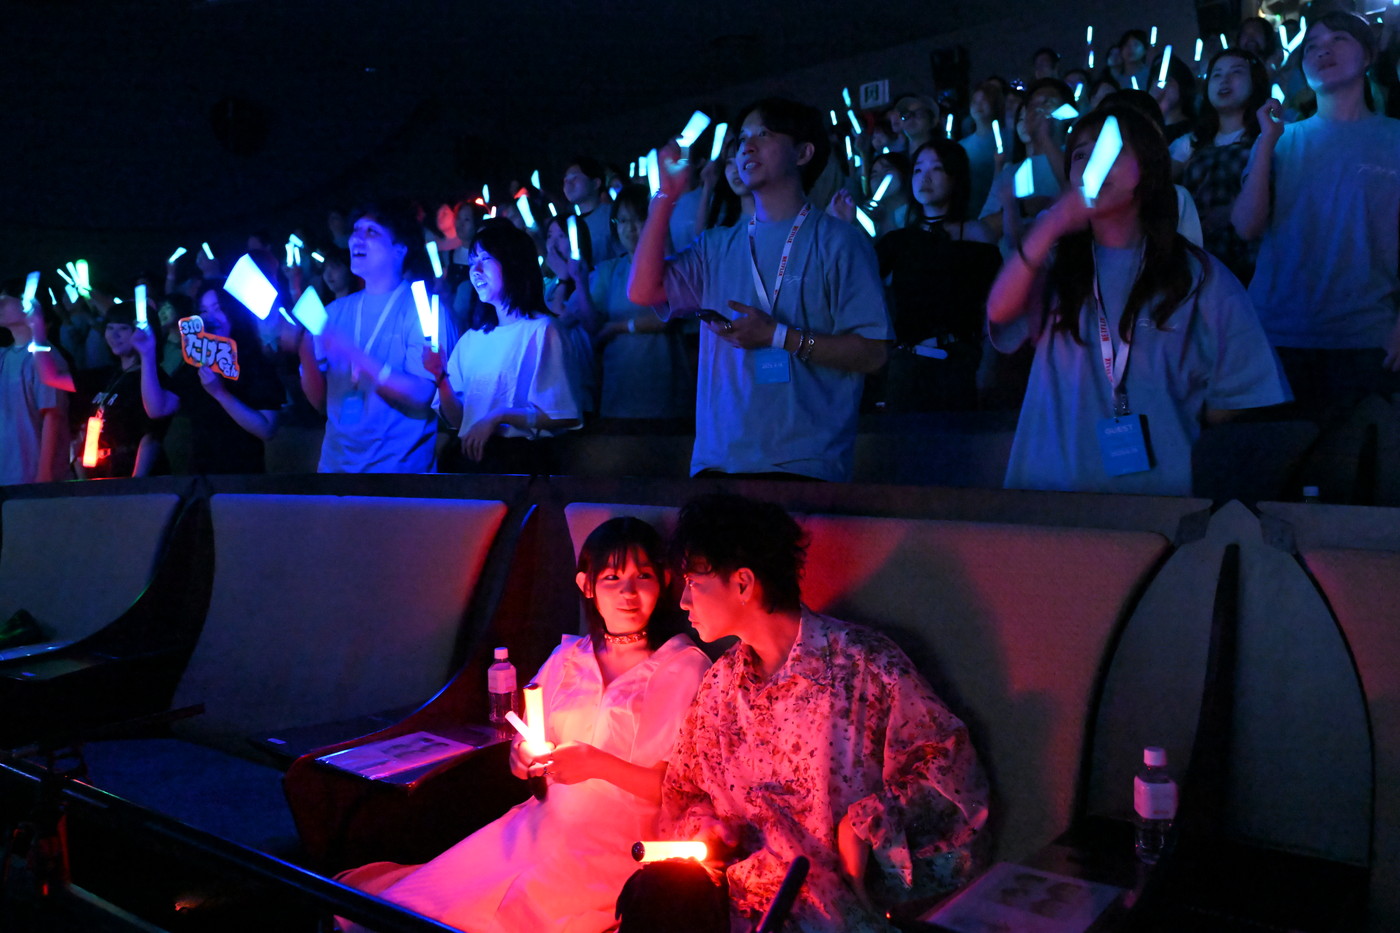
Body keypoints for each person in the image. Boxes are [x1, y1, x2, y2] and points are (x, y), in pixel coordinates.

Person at [338, 517, 711, 933]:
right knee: (424, 903)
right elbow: (527, 744)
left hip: (616, 843)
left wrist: (597, 764)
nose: (628, 591)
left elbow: (681, 790)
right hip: (540, 826)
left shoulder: (683, 667)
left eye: (642, 576)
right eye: (611, 577)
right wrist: (523, 756)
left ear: (662, 582)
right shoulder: (570, 657)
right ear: (587, 585)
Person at [660, 493, 989, 933]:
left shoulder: (864, 665)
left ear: (742, 584)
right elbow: (685, 792)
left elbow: (950, 767)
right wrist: (707, 832)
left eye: (694, 583)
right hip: (729, 907)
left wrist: (865, 824)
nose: (683, 601)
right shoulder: (720, 686)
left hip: (830, 913)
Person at [987, 105, 1290, 496]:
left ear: (1146, 168)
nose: (1094, 162)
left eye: (1110, 151)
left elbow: (1239, 393)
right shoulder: (1051, 261)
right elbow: (1000, 310)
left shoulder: (1199, 275)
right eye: (1080, 154)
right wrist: (1051, 225)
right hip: (1049, 492)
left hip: (1159, 500)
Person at [629, 97, 892, 481]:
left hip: (804, 466)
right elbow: (642, 291)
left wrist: (780, 336)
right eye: (742, 139)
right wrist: (665, 197)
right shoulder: (716, 245)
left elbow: (872, 353)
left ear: (803, 153)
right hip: (718, 462)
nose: (745, 146)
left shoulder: (839, 242)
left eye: (764, 134)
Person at [1232, 11, 1400, 421]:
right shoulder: (1282, 138)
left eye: (1338, 39)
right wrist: (1265, 144)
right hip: (1276, 334)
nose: (1322, 49)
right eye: (1312, 45)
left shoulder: (1394, 137)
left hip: (1367, 337)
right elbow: (1246, 225)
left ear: (1367, 57)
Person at [431, 219, 580, 473]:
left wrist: (499, 415)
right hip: (472, 463)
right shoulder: (471, 340)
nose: (475, 270)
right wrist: (441, 378)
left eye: (485, 259)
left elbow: (561, 414)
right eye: (471, 262)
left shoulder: (543, 330)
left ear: (514, 264)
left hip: (522, 463)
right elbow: (459, 421)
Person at [298, 200, 438, 473]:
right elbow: (321, 403)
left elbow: (422, 394)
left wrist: (353, 354)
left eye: (371, 232)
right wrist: (304, 349)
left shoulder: (422, 308)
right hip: (335, 470)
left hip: (400, 476)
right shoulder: (333, 312)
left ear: (400, 249)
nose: (356, 239)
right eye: (355, 230)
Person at [876, 139, 1000, 411]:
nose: (925, 177)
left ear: (955, 177)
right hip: (908, 363)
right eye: (918, 170)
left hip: (960, 361)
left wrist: (987, 364)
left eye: (937, 169)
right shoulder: (899, 240)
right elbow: (861, 285)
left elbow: (995, 307)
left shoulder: (977, 234)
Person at [130, 285, 283, 474]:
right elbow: (157, 408)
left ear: (234, 312)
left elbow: (266, 430)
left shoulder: (256, 364)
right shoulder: (196, 361)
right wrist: (147, 354)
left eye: (218, 309)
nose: (210, 318)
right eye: (203, 311)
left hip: (243, 478)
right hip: (201, 475)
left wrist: (220, 393)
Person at [31, 302, 172, 479]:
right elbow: (51, 377)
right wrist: (37, 334)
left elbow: (151, 436)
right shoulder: (104, 375)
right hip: (98, 473)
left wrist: (136, 483)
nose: (114, 335)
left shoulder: (156, 379)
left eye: (123, 328)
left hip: (134, 477)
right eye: (110, 328)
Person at [588, 184, 691, 421]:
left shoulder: (671, 265)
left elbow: (669, 318)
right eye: (622, 221)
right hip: (620, 388)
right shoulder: (610, 270)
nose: (630, 229)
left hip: (664, 387)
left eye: (638, 219)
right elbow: (592, 324)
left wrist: (619, 327)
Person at [1176, 50, 1271, 284]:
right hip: (1196, 266)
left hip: (1254, 268)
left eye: (1236, 72)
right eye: (1216, 75)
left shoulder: (1273, 135)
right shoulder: (1189, 143)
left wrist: (1229, 212)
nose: (1224, 80)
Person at [0, 290, 65, 484]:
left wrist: (44, 473)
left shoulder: (48, 357)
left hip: (31, 476)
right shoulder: (3, 356)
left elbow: (52, 416)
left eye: (5, 300)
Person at [564, 156, 619, 263]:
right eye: (565, 180)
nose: (568, 184)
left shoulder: (612, 214)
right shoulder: (568, 225)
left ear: (595, 183)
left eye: (575, 178)